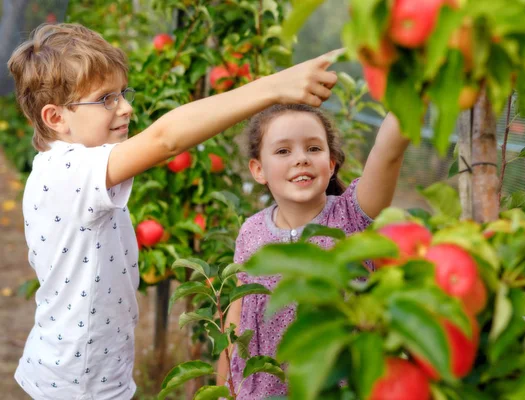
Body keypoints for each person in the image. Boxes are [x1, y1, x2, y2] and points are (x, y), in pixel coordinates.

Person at [7, 22, 339, 400]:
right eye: (106, 99)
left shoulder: (70, 172)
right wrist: (273, 87)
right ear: (56, 118)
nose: (126, 107)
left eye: (122, 93)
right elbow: (165, 140)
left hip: (90, 372)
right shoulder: (69, 172)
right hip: (77, 383)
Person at [219, 104, 409, 398]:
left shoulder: (352, 216)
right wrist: (225, 389)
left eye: (313, 148)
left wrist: (410, 89)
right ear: (258, 170)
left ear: (331, 164)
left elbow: (388, 152)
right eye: (283, 151)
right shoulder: (251, 231)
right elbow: (236, 315)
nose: (301, 160)